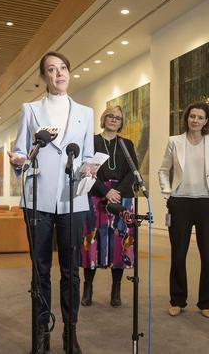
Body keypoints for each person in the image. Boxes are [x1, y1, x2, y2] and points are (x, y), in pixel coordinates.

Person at [8, 51, 95, 354]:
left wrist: (89, 166)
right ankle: (41, 335)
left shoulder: (86, 112)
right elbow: (20, 153)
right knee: (40, 269)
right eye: (51, 69)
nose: (58, 74)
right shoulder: (31, 109)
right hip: (38, 199)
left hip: (74, 199)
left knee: (71, 271)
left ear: (69, 73)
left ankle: (70, 335)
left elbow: (87, 154)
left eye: (62, 68)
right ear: (44, 77)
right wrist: (18, 161)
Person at [158, 102, 209, 319]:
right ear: (186, 118)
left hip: (207, 205)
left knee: (208, 255)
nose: (195, 120)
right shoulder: (174, 141)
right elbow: (163, 170)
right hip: (180, 204)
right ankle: (177, 300)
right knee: (178, 254)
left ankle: (206, 302)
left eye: (200, 117)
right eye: (192, 116)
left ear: (206, 121)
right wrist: (168, 194)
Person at [80, 105, 139, 308]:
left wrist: (117, 192)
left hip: (121, 199)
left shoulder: (126, 144)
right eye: (110, 116)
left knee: (119, 244)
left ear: (121, 122)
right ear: (104, 119)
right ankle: (87, 289)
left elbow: (133, 172)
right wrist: (106, 192)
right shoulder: (92, 142)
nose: (114, 120)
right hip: (96, 197)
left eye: (118, 118)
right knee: (92, 243)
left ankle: (116, 290)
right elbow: (86, 170)